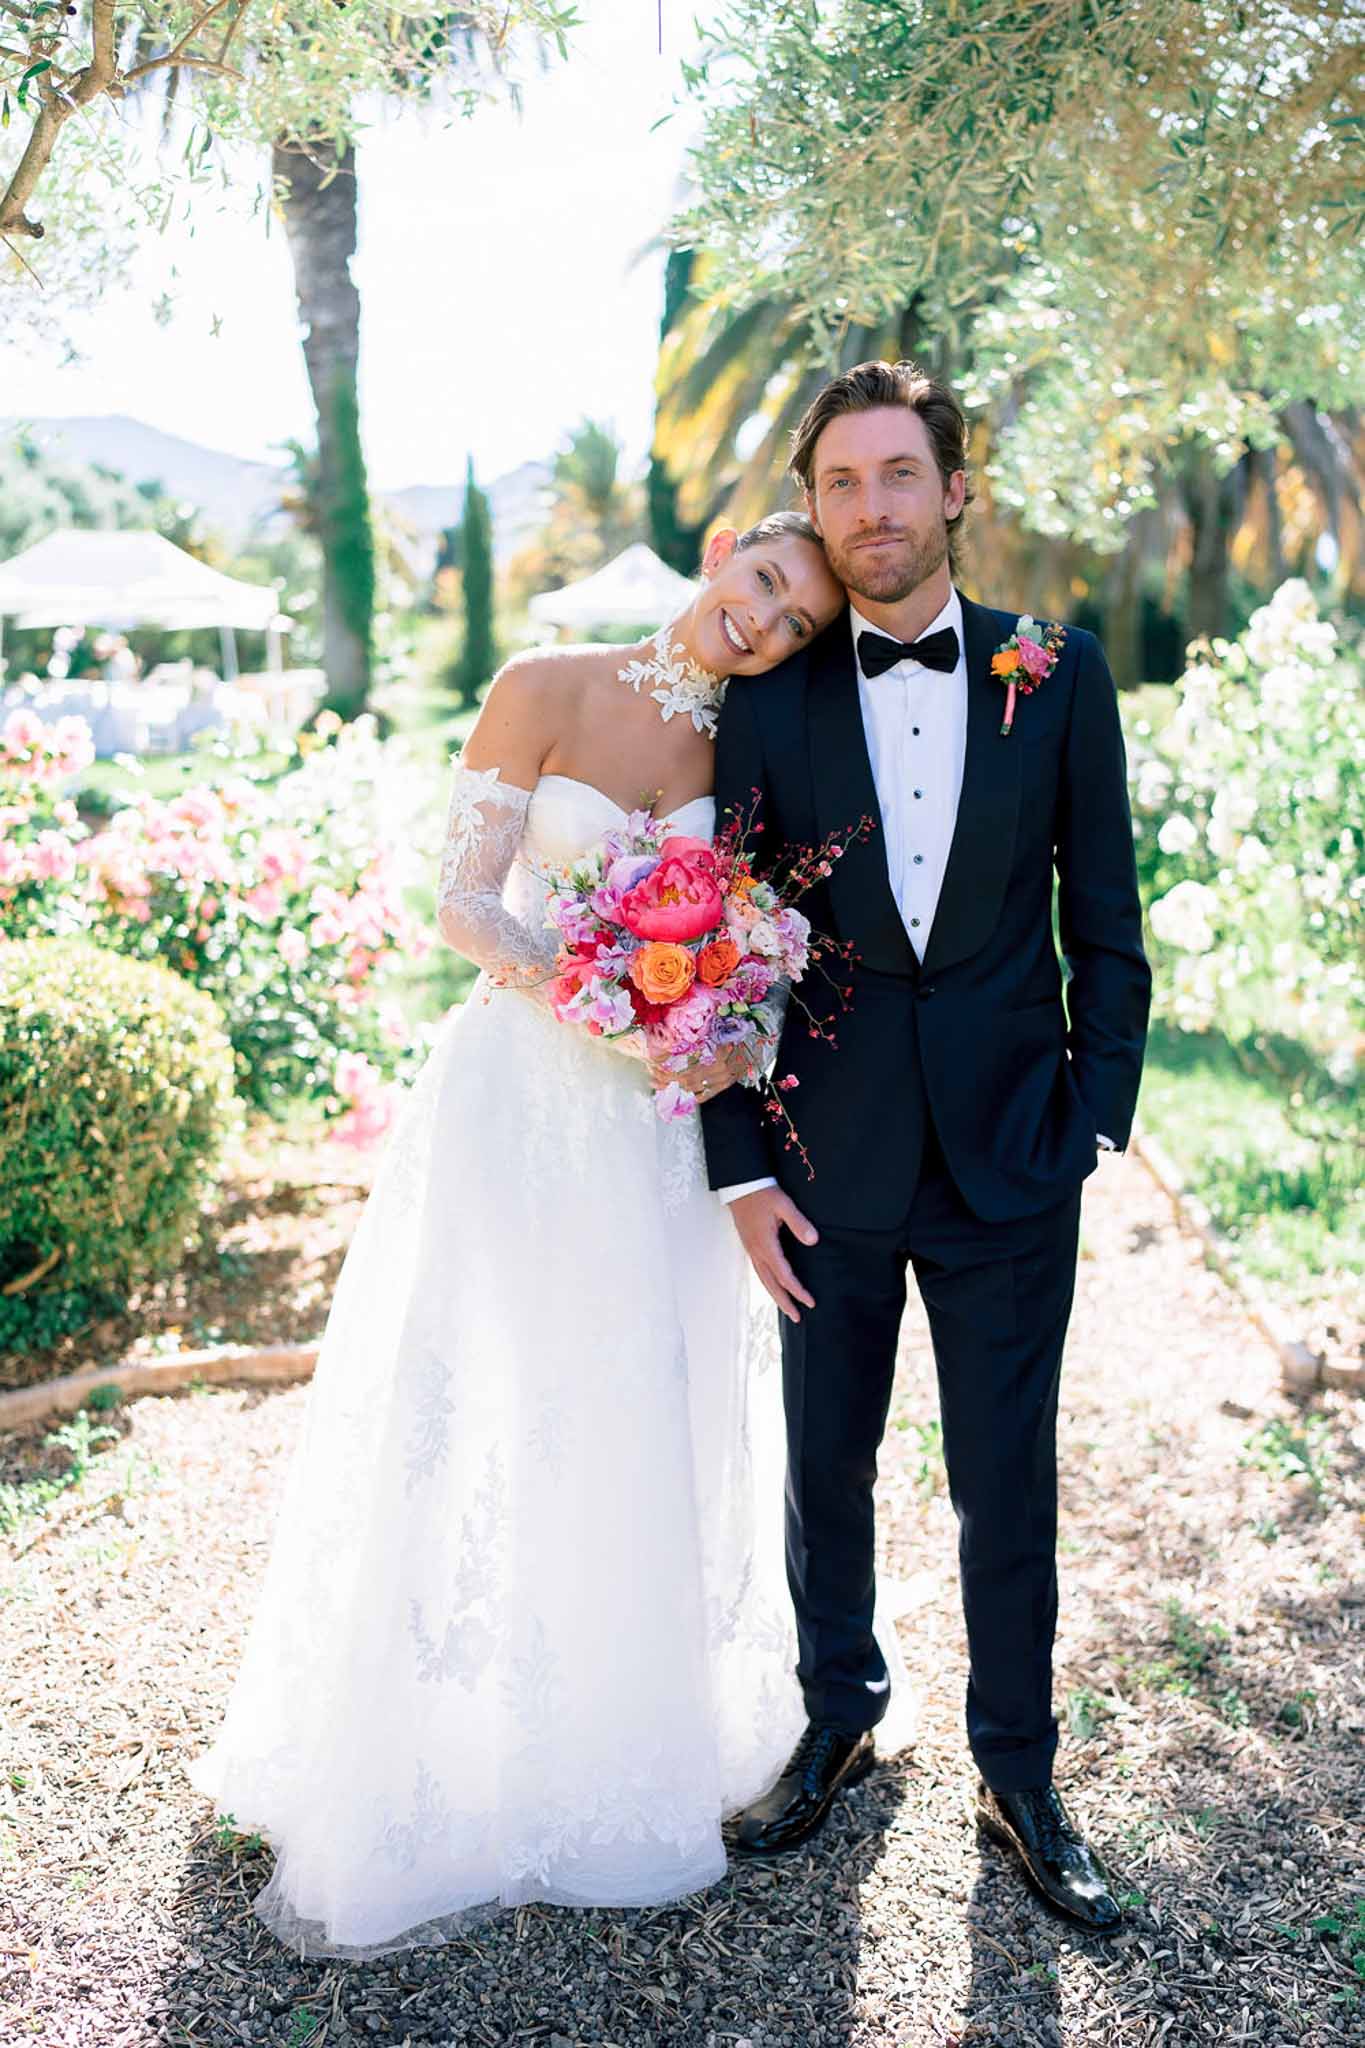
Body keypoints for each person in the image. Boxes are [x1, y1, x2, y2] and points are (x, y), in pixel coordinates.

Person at [189, 512, 846, 1957]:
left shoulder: (751, 758)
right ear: (726, 550)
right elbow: (461, 904)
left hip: (656, 1133)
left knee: (632, 1399)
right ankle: (434, 1745)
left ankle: (615, 1738)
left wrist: (707, 1011)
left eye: (796, 620)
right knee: (478, 1391)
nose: (766, 622)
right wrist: (614, 981)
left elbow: (759, 944)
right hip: (517, 1097)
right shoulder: (544, 680)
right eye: (763, 583)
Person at [701, 362, 1151, 1933]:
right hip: (822, 1166)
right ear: (812, 506)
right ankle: (838, 1720)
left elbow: (1103, 918)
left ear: (954, 489)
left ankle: (1017, 1773)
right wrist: (738, 1168)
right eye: (839, 483)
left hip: (1013, 1155)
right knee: (824, 1467)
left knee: (1003, 1482)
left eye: (898, 475)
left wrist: (1092, 1118)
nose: (870, 509)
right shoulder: (765, 700)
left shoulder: (1056, 671)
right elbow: (712, 954)